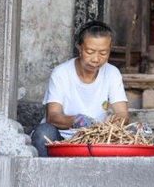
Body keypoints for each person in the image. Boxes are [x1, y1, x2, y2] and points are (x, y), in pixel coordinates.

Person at [30, 20, 129, 156]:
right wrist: (76, 121)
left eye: (103, 53)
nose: (96, 59)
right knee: (43, 133)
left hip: (96, 139)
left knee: (134, 133)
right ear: (79, 47)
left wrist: (116, 121)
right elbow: (52, 117)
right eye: (90, 51)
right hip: (62, 138)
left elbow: (123, 114)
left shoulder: (112, 73)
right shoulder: (61, 73)